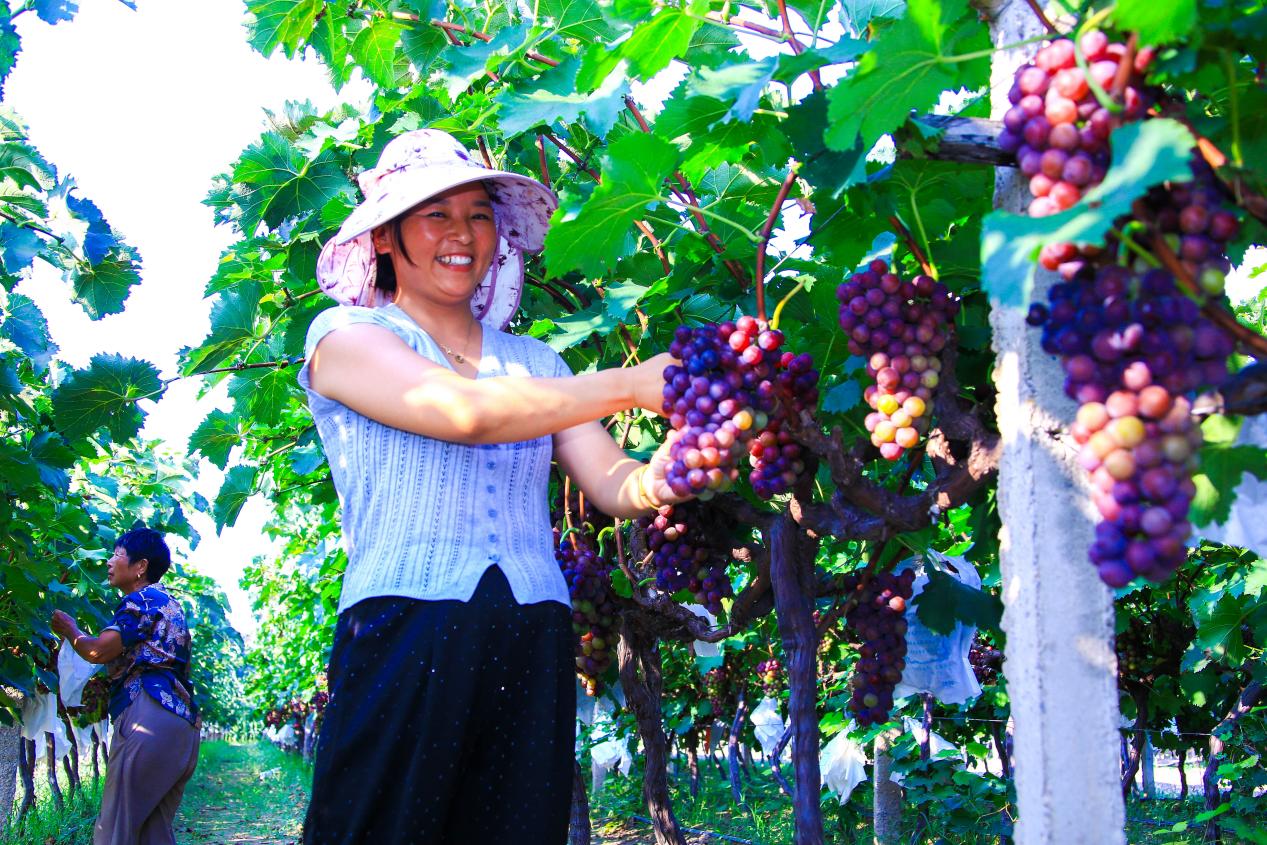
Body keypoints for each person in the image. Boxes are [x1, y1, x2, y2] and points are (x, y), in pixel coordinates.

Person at [298, 128, 689, 844]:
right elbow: (466, 413)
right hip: (402, 629)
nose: (462, 233)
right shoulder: (345, 336)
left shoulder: (537, 361)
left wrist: (686, 463)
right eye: (435, 215)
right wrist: (632, 384)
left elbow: (614, 484)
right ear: (383, 236)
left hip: (531, 631)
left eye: (478, 214)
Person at [50, 526, 200, 845]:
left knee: (114, 830)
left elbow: (98, 651)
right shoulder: (171, 605)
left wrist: (70, 629)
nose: (109, 561)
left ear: (141, 566)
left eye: (117, 554)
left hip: (149, 716)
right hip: (182, 724)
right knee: (152, 833)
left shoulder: (141, 601)